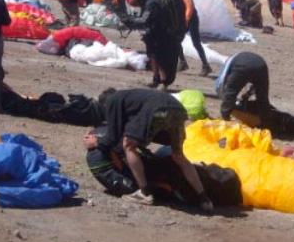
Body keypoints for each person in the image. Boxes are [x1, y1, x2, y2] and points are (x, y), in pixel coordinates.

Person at [85, 88, 213, 210]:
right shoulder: (131, 98)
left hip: (158, 110)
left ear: (105, 106)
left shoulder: (113, 100)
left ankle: (144, 193)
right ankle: (204, 199)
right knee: (178, 155)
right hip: (178, 110)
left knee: (128, 145)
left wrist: (97, 142)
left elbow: (112, 137)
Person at [124, 0, 185, 89]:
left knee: (160, 58)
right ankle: (156, 79)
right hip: (155, 33)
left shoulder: (151, 3)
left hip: (163, 34)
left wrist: (130, 21)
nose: (137, 6)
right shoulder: (148, 0)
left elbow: (145, 19)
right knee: (153, 55)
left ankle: (163, 82)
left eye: (136, 3)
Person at [171, 0, 212, 77]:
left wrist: (186, 21)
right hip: (183, 19)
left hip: (191, 19)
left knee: (196, 43)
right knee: (175, 41)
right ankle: (183, 62)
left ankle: (206, 66)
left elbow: (190, 7)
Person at [215, 52, 270, 121]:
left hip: (242, 66)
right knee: (263, 97)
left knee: (231, 92)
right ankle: (266, 121)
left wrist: (225, 105)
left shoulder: (228, 66)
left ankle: (225, 118)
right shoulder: (235, 59)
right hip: (261, 65)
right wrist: (248, 94)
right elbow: (258, 85)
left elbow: (224, 87)